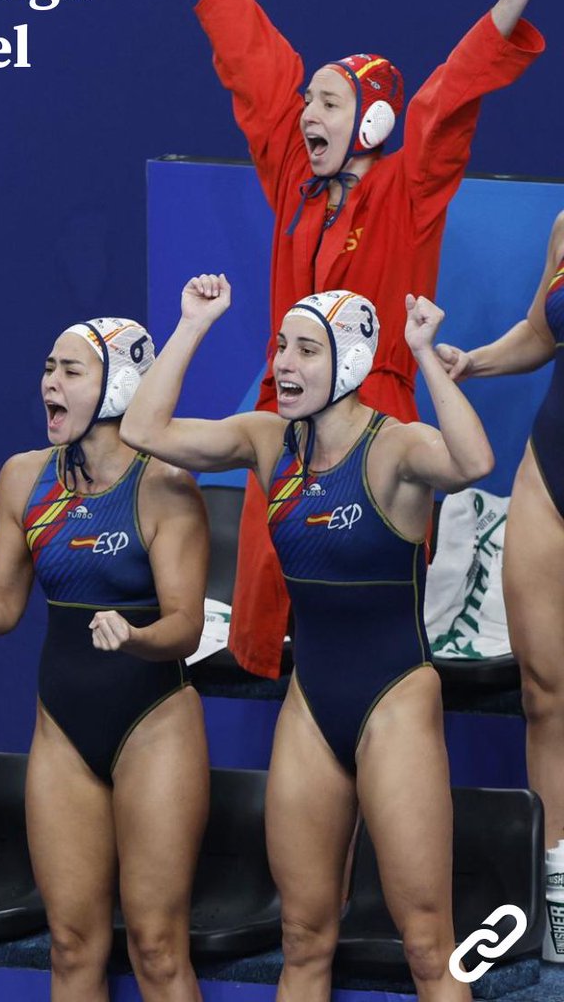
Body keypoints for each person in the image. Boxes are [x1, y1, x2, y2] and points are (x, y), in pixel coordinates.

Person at [165, 0, 556, 679]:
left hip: (374, 410)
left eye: (329, 101)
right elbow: (248, 55)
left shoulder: (407, 193)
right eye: (307, 100)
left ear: (373, 122)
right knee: (275, 632)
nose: (306, 110)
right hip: (291, 413)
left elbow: (446, 100)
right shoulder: (293, 180)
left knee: (366, 625)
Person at [121, 274, 493, 1001]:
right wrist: (192, 325)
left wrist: (419, 352)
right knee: (302, 938)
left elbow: (475, 463)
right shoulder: (268, 439)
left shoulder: (397, 449)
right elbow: (144, 430)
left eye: (305, 352)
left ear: (350, 364)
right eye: (279, 348)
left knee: (426, 944)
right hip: (311, 702)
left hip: (394, 699)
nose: (282, 364)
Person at [0, 317, 210, 1002]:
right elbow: (1, 607)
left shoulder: (165, 486)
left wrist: (135, 636)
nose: (50, 383)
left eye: (71, 370)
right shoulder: (22, 479)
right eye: (49, 368)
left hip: (153, 722)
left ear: (121, 384)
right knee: (70, 947)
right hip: (63, 730)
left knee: (157, 948)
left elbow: (186, 626)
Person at [435, 220, 564, 850]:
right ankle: (558, 892)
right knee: (543, 693)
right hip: (551, 471)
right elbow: (543, 329)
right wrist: (474, 361)